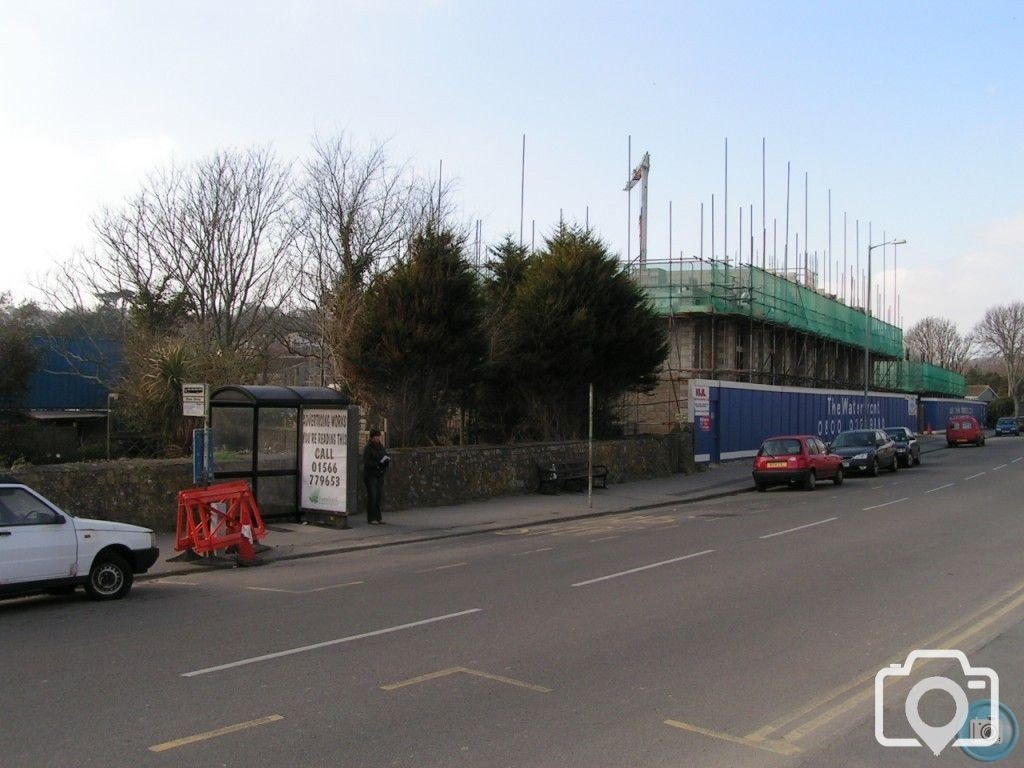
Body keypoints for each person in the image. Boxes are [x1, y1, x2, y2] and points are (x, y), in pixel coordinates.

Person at [362, 428, 390, 525]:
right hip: (371, 475)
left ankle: (378, 517)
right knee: (372, 496)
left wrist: (385, 462)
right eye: (376, 437)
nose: (378, 439)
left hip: (379, 474)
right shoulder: (368, 448)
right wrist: (377, 464)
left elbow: (384, 454)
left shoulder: (380, 446)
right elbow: (367, 462)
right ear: (372, 437)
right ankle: (371, 518)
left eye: (379, 437)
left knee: (378, 496)